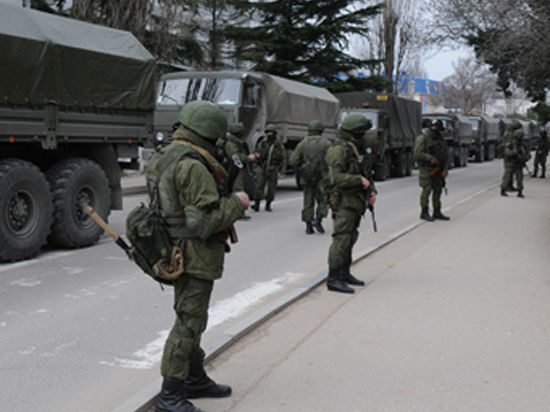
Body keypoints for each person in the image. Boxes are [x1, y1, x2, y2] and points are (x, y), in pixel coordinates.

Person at [147, 101, 249, 412]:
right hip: (194, 255)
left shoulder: (165, 154)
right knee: (188, 322)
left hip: (173, 249)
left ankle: (194, 377)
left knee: (193, 317)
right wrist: (238, 202)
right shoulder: (193, 166)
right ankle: (170, 395)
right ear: (210, 133)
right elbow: (201, 223)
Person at [325, 114, 377, 294]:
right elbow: (336, 178)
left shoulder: (355, 149)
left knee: (350, 238)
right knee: (341, 239)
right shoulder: (338, 150)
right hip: (344, 202)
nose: (365, 136)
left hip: (356, 201)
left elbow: (366, 172)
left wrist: (372, 191)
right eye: (362, 133)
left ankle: (344, 273)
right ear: (353, 133)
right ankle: (333, 278)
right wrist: (358, 180)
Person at [290, 120, 332, 234]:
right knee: (323, 200)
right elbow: (333, 160)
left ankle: (308, 226)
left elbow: (293, 160)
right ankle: (318, 219)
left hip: (307, 177)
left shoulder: (302, 144)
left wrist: (302, 169)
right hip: (322, 178)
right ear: (321, 130)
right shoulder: (326, 144)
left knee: (308, 202)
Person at [414, 119, 450, 222]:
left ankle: (437, 211)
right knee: (427, 188)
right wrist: (429, 158)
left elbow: (446, 154)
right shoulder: (423, 138)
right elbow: (417, 153)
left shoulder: (440, 139)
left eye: (437, 127)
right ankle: (424, 212)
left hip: (438, 168)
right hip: (426, 168)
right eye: (433, 126)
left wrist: (446, 168)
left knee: (438, 189)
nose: (434, 129)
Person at [219, 123, 256, 219]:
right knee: (237, 190)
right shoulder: (230, 144)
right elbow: (236, 158)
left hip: (237, 170)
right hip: (234, 170)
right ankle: (239, 213)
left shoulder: (236, 142)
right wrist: (248, 158)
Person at [252, 123, 286, 212]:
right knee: (259, 185)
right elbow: (255, 151)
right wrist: (257, 155)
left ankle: (268, 204)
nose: (269, 134)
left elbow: (283, 157)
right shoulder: (262, 142)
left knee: (272, 187)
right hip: (262, 166)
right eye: (268, 132)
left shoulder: (278, 145)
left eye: (271, 132)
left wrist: (282, 169)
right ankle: (256, 204)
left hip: (273, 167)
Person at [501, 128, 530, 198]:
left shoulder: (523, 145)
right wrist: (515, 152)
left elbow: (528, 155)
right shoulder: (511, 145)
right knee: (507, 178)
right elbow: (507, 153)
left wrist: (525, 159)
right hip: (510, 164)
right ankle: (503, 190)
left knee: (519, 179)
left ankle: (520, 192)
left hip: (519, 165)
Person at [499, 121, 522, 193]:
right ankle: (507, 186)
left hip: (509, 154)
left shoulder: (509, 133)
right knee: (508, 172)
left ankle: (509, 185)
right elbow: (508, 145)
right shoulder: (510, 134)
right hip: (508, 155)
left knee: (510, 172)